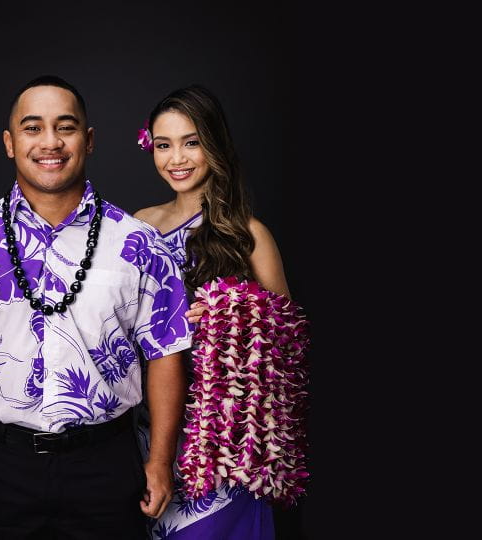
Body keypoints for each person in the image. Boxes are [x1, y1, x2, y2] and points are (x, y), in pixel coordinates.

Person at [0, 75, 193, 540]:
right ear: (10, 143)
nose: (50, 142)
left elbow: (165, 352)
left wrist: (160, 460)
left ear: (88, 141)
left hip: (106, 468)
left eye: (65, 127)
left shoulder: (138, 242)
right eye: (33, 128)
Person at [131, 84, 288, 539]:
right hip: (149, 428)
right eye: (164, 145)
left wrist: (231, 312)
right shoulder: (139, 224)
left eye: (191, 142)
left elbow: (287, 342)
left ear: (214, 145)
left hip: (222, 439)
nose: (175, 158)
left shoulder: (248, 234)